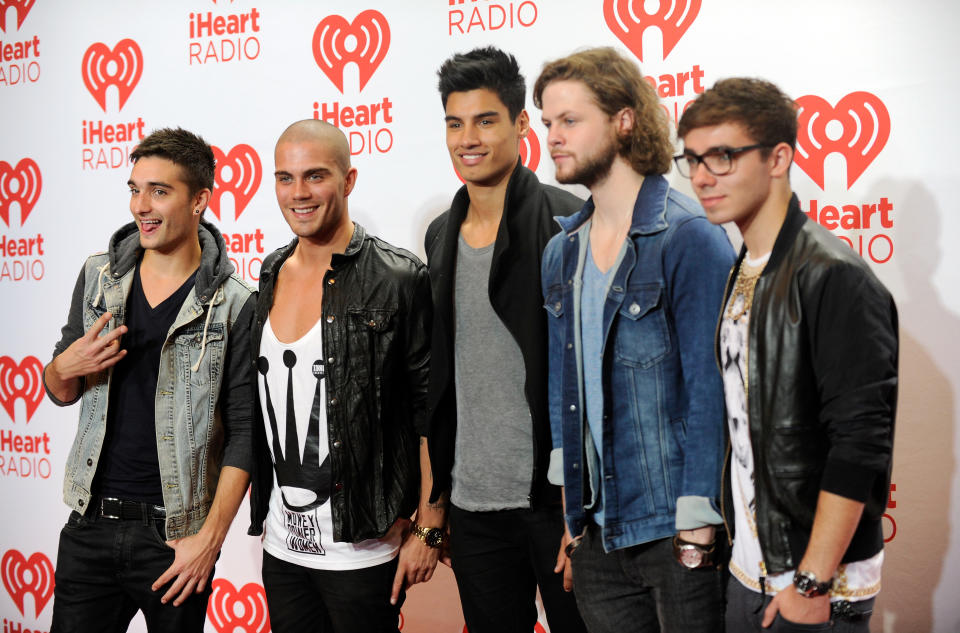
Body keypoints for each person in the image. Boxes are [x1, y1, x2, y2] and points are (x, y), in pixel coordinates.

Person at [676, 77, 898, 632]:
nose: (703, 176)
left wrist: (811, 582)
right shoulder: (743, 266)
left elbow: (860, 442)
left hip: (814, 586)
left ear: (779, 157)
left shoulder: (833, 276)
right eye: (694, 158)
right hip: (749, 570)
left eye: (723, 157)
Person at [533, 47, 735, 632]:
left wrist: (698, 523)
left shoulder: (687, 236)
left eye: (570, 120)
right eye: (547, 122)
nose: (553, 137)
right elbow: (560, 387)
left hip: (676, 530)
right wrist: (573, 513)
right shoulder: (561, 251)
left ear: (624, 120)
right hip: (596, 533)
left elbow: (712, 390)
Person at [43, 127, 256, 632]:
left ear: (200, 199)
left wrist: (209, 539)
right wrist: (63, 367)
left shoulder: (234, 304)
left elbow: (245, 434)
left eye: (160, 191)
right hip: (89, 526)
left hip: (175, 538)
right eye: (135, 189)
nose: (142, 205)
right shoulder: (98, 277)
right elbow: (60, 388)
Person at [247, 120, 437, 633]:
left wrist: (431, 526)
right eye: (285, 178)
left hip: (364, 548)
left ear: (349, 180)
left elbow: (431, 414)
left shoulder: (398, 278)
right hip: (282, 549)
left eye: (315, 176)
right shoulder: (268, 273)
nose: (298, 193)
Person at [423, 46, 587, 633]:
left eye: (486, 120)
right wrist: (437, 502)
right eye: (454, 122)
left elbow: (590, 375)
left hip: (557, 504)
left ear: (521, 124)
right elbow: (440, 380)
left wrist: (582, 506)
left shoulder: (570, 222)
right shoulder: (440, 235)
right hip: (473, 510)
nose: (468, 138)